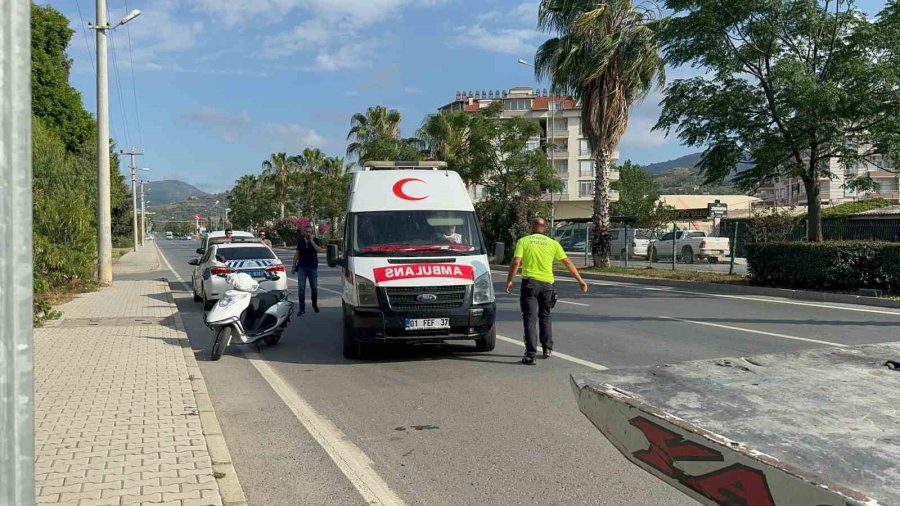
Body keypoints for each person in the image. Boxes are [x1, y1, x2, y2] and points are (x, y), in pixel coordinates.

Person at [506, 217, 588, 365]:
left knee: (530, 318)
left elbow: (517, 261)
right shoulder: (553, 243)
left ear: (531, 227)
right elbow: (567, 262)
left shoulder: (524, 241)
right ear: (545, 228)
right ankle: (547, 348)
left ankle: (530, 354)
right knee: (545, 316)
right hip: (547, 285)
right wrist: (580, 280)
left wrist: (510, 280)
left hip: (530, 283)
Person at [291, 226, 323, 315]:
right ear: (304, 232)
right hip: (302, 268)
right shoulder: (301, 241)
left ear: (312, 232)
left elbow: (319, 250)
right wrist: (294, 266)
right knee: (301, 289)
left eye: (310, 232)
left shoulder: (316, 240)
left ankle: (314, 305)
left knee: (314, 289)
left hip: (312, 267)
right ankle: (302, 309)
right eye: (306, 231)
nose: (308, 233)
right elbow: (297, 254)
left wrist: (312, 241)